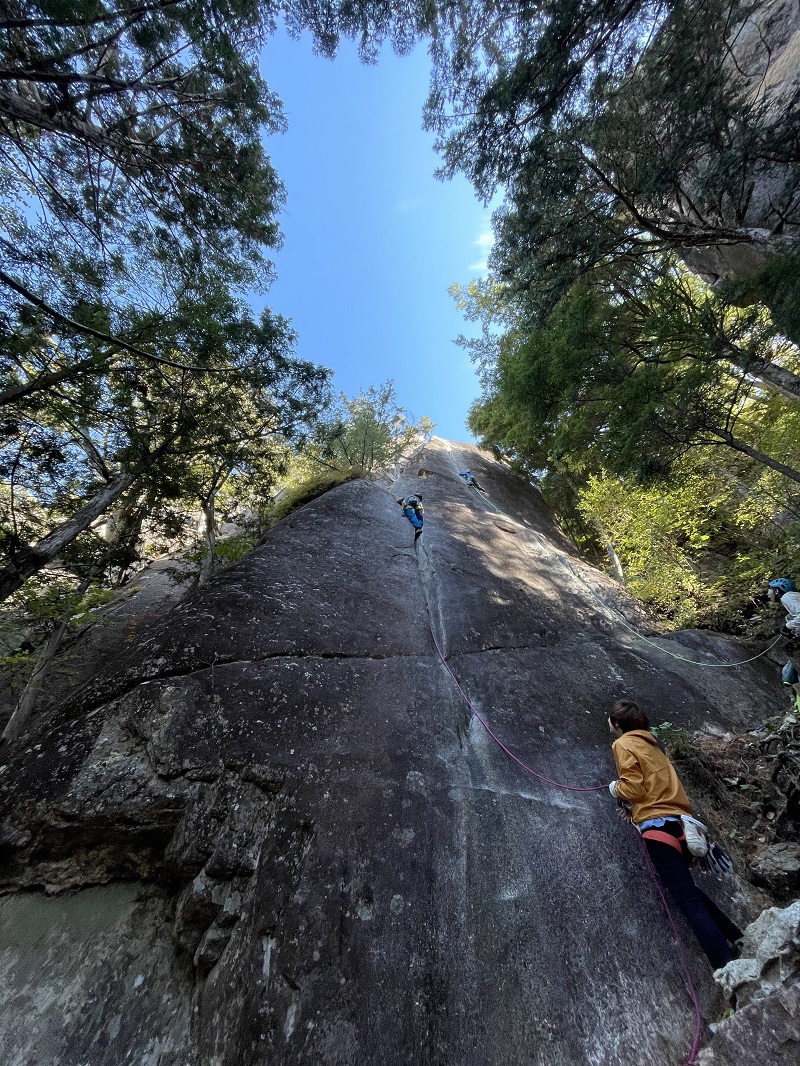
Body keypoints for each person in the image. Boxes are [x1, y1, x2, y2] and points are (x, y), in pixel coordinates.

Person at [607, 699, 742, 970]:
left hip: (657, 831)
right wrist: (634, 811)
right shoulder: (654, 747)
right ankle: (737, 937)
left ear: (618, 723)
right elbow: (655, 790)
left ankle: (726, 964)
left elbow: (633, 788)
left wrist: (615, 789)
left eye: (610, 719)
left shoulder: (623, 744)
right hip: (679, 825)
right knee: (688, 892)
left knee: (687, 900)